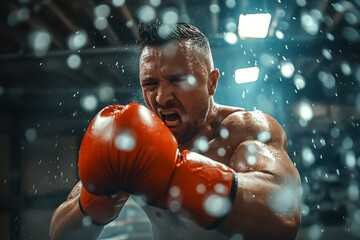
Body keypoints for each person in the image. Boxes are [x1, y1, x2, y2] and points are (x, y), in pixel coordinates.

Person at [49, 19, 301, 240]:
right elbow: (60, 233)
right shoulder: (136, 137)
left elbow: (284, 219)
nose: (161, 98)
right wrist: (98, 200)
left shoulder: (244, 130)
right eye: (150, 83)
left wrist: (175, 175)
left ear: (211, 82)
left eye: (178, 80)